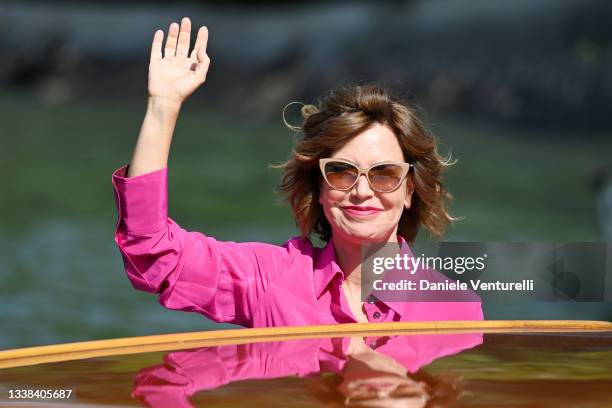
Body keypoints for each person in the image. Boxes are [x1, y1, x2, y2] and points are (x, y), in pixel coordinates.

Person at [112, 17, 483, 328]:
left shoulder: (454, 308)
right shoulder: (269, 279)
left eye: (384, 174)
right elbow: (155, 256)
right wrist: (163, 108)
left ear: (409, 191)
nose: (362, 191)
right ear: (319, 187)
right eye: (341, 172)